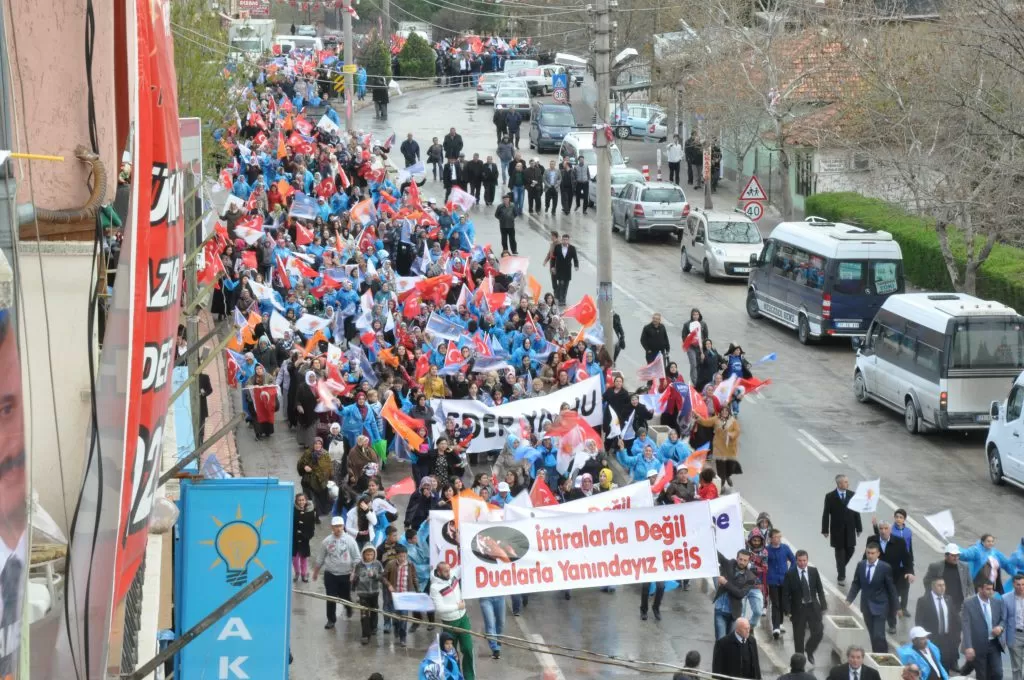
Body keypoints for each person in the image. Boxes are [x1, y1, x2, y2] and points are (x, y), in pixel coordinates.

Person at [846, 542, 899, 653]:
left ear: (878, 554)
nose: (870, 555)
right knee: (872, 634)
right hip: (866, 607)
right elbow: (856, 583)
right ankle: (877, 655)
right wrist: (849, 599)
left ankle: (883, 655)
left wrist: (897, 607)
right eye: (868, 553)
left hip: (881, 606)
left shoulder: (885, 568)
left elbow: (891, 588)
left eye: (873, 553)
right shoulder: (861, 565)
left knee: (878, 635)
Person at [312, 516, 361, 629]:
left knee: (344, 596)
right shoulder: (327, 541)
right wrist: (316, 572)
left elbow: (357, 558)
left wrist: (354, 572)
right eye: (335, 526)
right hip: (330, 574)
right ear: (332, 527)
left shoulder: (350, 541)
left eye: (340, 526)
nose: (338, 529)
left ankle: (348, 607)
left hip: (346, 574)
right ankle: (331, 619)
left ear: (343, 526)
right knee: (331, 597)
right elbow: (320, 557)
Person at [429, 562, 475, 680]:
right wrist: (457, 607)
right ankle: (455, 677)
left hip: (463, 619)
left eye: (449, 570)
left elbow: (463, 565)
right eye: (445, 571)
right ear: (439, 572)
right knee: (451, 655)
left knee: (468, 649)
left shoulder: (452, 575)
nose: (449, 573)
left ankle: (470, 677)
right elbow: (439, 609)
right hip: (449, 623)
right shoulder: (434, 588)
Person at [782, 550, 827, 664]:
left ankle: (810, 649)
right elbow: (785, 594)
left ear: (807, 560)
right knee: (798, 637)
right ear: (796, 560)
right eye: (800, 561)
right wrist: (787, 611)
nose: (802, 563)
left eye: (804, 560)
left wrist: (823, 605)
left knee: (819, 631)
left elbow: (820, 589)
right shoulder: (790, 574)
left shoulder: (813, 571)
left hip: (813, 607)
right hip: (798, 609)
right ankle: (800, 662)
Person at [871, 519, 915, 633]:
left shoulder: (899, 542)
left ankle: (892, 624)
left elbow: (907, 559)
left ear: (890, 530)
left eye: (886, 528)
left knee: (891, 600)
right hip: (877, 577)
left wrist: (910, 572)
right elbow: (866, 557)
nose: (883, 531)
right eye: (881, 529)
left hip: (893, 578)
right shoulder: (873, 540)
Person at [821, 474, 863, 585]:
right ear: (839, 484)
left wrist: (859, 528)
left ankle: (840, 566)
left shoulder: (852, 495)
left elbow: (856, 513)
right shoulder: (830, 496)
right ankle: (841, 576)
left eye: (847, 481)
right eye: (845, 482)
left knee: (851, 550)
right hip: (837, 531)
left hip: (850, 530)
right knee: (840, 553)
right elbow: (826, 514)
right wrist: (825, 529)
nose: (848, 483)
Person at [914, 577, 961, 673]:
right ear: (933, 587)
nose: (942, 588)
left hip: (947, 639)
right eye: (939, 585)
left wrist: (956, 635)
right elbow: (919, 621)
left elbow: (955, 619)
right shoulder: (923, 601)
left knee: (945, 665)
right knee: (932, 666)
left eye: (943, 585)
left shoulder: (948, 599)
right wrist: (923, 638)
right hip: (931, 639)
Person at [961, 580, 1006, 680]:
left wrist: (1000, 627)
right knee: (982, 676)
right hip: (978, 645)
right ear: (980, 589)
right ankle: (966, 669)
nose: (991, 592)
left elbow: (1003, 620)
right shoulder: (969, 604)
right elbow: (966, 626)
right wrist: (968, 646)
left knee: (998, 673)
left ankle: (967, 667)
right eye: (988, 589)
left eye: (992, 589)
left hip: (994, 644)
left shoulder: (997, 602)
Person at [713, 549, 759, 639]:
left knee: (731, 643)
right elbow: (717, 556)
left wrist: (725, 583)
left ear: (748, 561)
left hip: (734, 614)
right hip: (720, 609)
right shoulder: (730, 564)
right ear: (737, 558)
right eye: (740, 559)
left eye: (745, 560)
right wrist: (709, 541)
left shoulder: (751, 578)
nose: (742, 562)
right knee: (720, 641)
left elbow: (740, 593)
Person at [923, 544, 973, 615]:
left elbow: (969, 583)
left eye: (957, 555)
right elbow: (927, 581)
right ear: (946, 556)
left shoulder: (964, 566)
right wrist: (932, 595)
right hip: (942, 600)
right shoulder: (936, 566)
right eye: (953, 555)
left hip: (958, 602)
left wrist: (970, 598)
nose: (956, 558)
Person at [383, 544, 417, 647]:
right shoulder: (390, 564)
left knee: (404, 618)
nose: (402, 558)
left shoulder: (411, 566)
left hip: (405, 597)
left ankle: (403, 638)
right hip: (394, 596)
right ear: (396, 556)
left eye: (404, 556)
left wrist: (418, 590)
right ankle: (396, 628)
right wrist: (389, 585)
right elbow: (383, 577)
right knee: (396, 617)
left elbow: (414, 578)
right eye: (400, 556)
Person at [352, 544, 385, 645]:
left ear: (374, 554)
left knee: (374, 611)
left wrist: (375, 575)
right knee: (364, 614)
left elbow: (382, 577)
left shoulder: (378, 564)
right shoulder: (359, 565)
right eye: (367, 554)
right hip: (363, 594)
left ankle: (373, 627)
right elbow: (355, 578)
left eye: (371, 554)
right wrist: (353, 589)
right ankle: (365, 635)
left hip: (374, 593)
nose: (369, 556)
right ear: (363, 554)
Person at [767, 529, 796, 638]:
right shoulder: (767, 550)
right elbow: (763, 562)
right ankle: (776, 627)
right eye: (776, 537)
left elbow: (793, 560)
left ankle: (780, 623)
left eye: (779, 537)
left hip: (784, 580)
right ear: (771, 538)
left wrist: (790, 572)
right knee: (775, 603)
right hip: (773, 580)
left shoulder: (785, 548)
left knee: (783, 602)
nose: (778, 539)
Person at [292, 493, 316, 583]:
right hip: (294, 539)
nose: (301, 502)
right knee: (294, 558)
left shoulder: (310, 511)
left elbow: (312, 525)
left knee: (303, 558)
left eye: (303, 500)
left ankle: (304, 574)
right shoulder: (293, 510)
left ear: (305, 501)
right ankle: (297, 572)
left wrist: (309, 535)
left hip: (304, 539)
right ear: (296, 501)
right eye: (299, 500)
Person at [550, 233, 579, 307]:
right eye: (564, 240)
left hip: (567, 270)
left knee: (566, 285)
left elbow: (575, 258)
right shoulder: (557, 247)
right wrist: (553, 266)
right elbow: (553, 257)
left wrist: (576, 265)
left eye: (566, 240)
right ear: (562, 240)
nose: (565, 241)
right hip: (559, 269)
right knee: (561, 283)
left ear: (569, 241)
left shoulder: (572, 248)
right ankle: (561, 300)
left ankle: (562, 297)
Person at [478, 593, 507, 659]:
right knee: (490, 624)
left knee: (501, 622)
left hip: (500, 595)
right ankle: (495, 649)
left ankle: (498, 641)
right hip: (485, 597)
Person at [1006, 573, 1022, 680]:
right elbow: (1003, 619)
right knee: (1017, 667)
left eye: (1023, 584)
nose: (1021, 587)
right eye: (1018, 585)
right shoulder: (1006, 599)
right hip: (1015, 635)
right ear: (1013, 585)